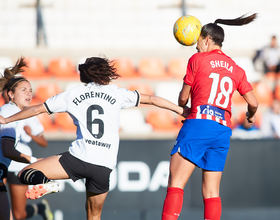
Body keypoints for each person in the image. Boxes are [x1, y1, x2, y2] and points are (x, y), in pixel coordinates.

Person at [0, 57, 186, 220]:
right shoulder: (117, 93)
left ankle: (50, 184)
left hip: (79, 158)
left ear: (84, 75)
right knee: (94, 216)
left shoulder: (73, 94)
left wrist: (7, 119)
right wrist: (179, 110)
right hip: (104, 166)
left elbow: (37, 109)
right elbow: (152, 99)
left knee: (25, 174)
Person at [161, 14, 258, 220]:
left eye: (198, 44)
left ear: (206, 39)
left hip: (199, 123)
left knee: (176, 183)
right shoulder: (236, 69)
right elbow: (254, 102)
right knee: (212, 193)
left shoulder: (197, 59)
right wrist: (250, 116)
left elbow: (182, 99)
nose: (196, 48)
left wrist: (183, 103)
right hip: (222, 130)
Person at [0, 58, 43, 220]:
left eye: (30, 90)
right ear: (11, 94)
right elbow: (8, 150)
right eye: (23, 90)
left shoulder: (12, 112)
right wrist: (36, 161)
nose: (29, 94)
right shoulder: (9, 113)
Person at [1, 88, 53, 220]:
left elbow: (43, 142)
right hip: (4, 162)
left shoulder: (28, 114)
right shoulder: (3, 111)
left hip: (19, 163)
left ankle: (40, 208)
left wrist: (31, 135)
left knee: (19, 214)